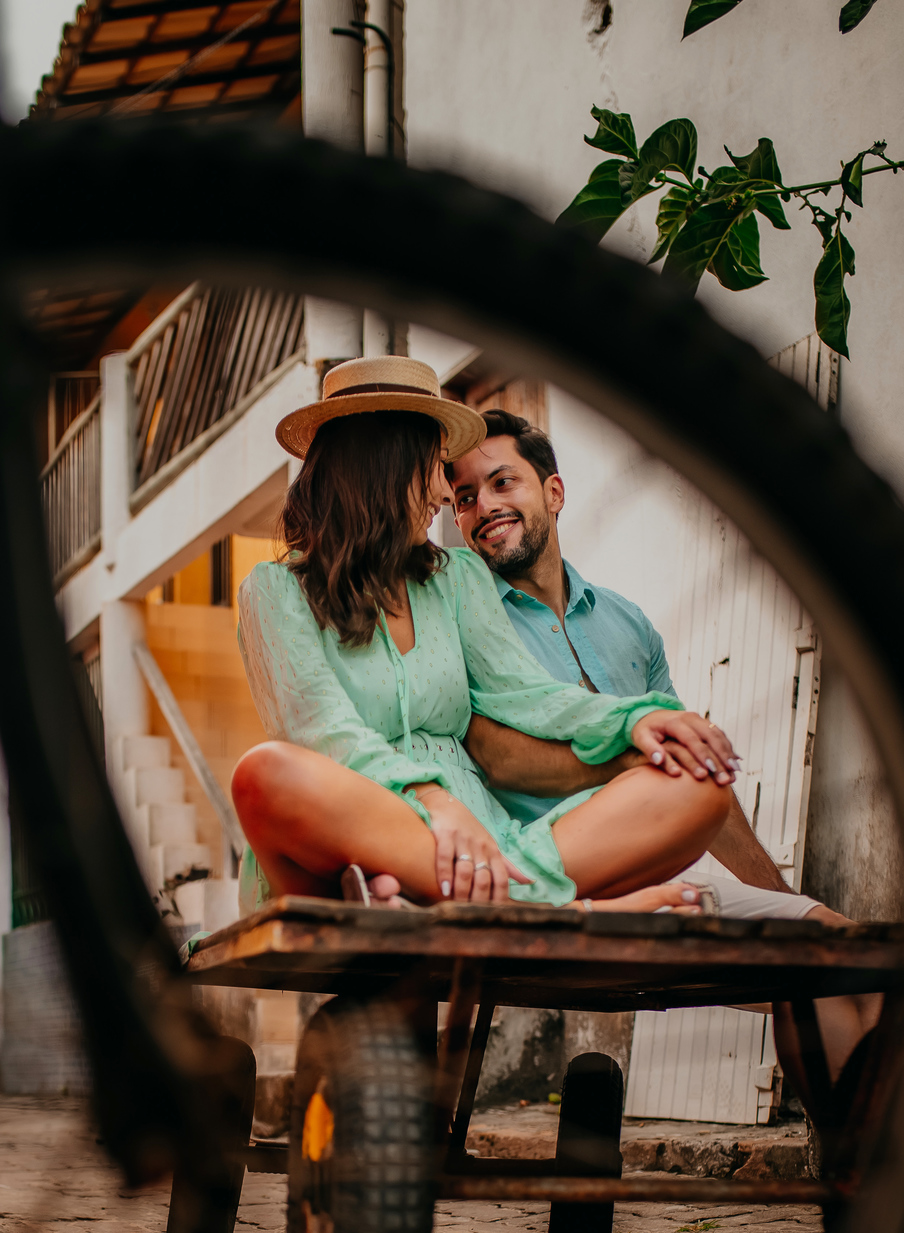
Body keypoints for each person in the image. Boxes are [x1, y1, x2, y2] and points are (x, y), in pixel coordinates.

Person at [444, 408, 880, 1088]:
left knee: (844, 954)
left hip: (669, 870)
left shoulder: (628, 623)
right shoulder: (464, 615)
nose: (484, 508)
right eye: (465, 498)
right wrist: (630, 757)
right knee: (820, 963)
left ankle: (854, 1175)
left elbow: (695, 769)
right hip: (558, 881)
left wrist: (778, 901)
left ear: (554, 492)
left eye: (503, 483)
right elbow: (497, 758)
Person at [230, 357, 736, 924]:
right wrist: (433, 801)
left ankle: (467, 900)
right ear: (386, 466)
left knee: (698, 787)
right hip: (365, 827)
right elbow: (322, 731)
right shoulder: (273, 590)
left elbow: (524, 693)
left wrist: (632, 720)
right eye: (436, 469)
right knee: (264, 773)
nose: (447, 495)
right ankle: (557, 910)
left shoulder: (458, 578)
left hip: (481, 847)